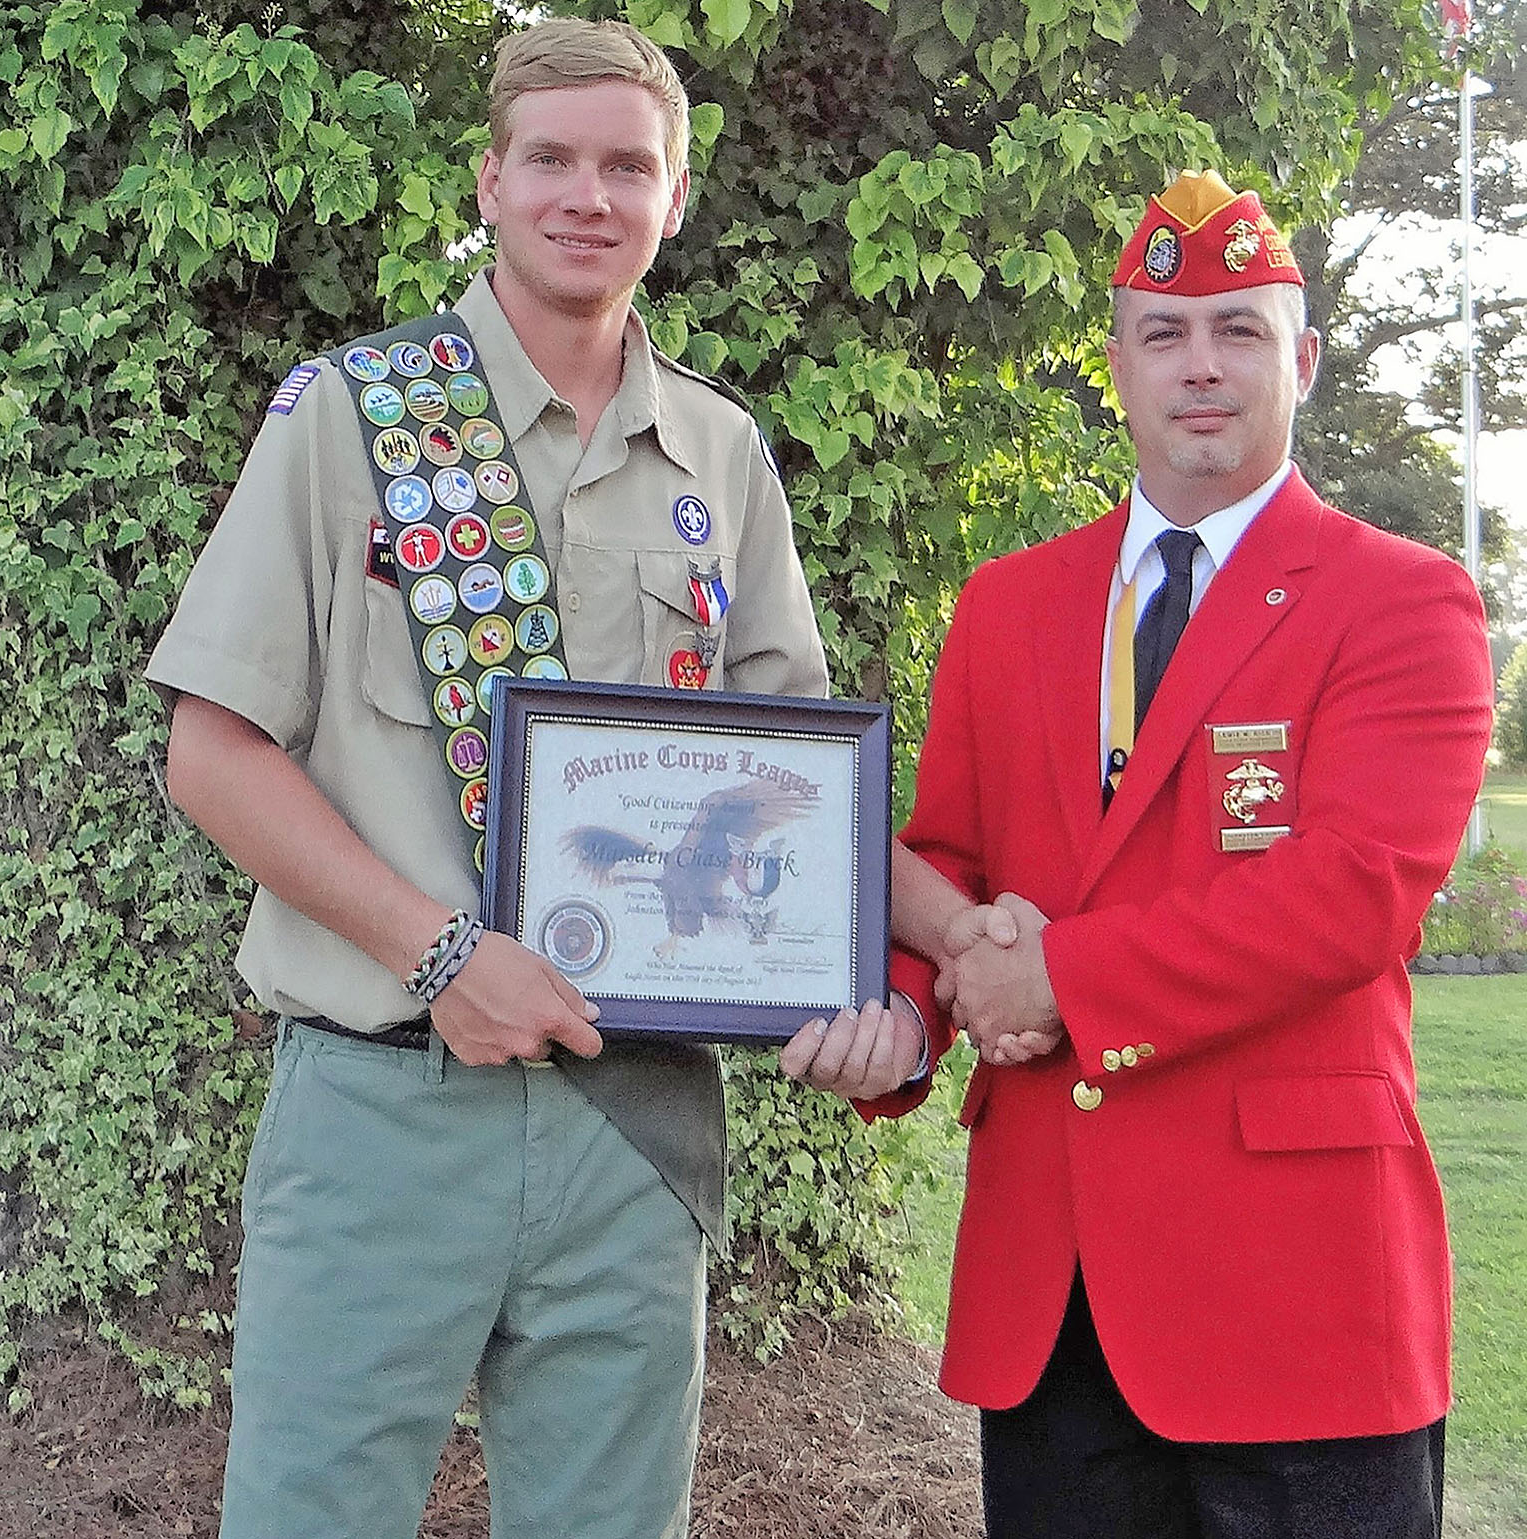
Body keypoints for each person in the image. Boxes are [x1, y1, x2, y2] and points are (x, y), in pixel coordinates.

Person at [147, 19, 840, 1538]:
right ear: (492, 179)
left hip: (632, 1125)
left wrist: (868, 978)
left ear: (673, 197)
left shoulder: (722, 459)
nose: (588, 195)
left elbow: (798, 787)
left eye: (627, 165)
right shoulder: (353, 419)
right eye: (552, 159)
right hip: (386, 1105)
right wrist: (443, 951)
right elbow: (213, 751)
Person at [791, 170, 1495, 1538]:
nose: (1203, 365)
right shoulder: (1009, 608)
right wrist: (899, 1018)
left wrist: (1062, 981)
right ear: (1115, 361)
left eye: (1239, 329)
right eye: (1165, 333)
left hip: (1299, 1301)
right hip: (1053, 1297)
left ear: (1302, 357)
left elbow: (1351, 895)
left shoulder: (1404, 600)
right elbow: (946, 869)